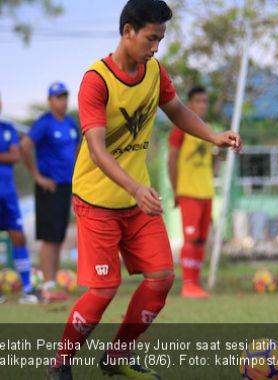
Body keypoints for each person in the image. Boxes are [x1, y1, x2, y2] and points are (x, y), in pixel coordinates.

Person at [46, 1, 241, 379]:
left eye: (161, 40)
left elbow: (178, 110)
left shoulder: (154, 71)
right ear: (127, 32)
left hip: (137, 202)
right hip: (98, 201)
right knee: (104, 290)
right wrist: (136, 188)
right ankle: (60, 364)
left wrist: (214, 136)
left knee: (163, 278)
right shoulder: (96, 80)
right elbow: (98, 150)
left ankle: (117, 356)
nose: (156, 48)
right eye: (151, 39)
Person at [21, 82, 80, 302]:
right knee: (49, 237)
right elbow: (25, 145)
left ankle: (52, 281)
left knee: (59, 235)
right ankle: (47, 283)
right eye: (58, 97)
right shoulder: (44, 123)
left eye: (64, 97)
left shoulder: (71, 124)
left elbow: (77, 149)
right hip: (49, 186)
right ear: (50, 101)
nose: (62, 101)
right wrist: (38, 177)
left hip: (66, 185)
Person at [168, 85, 213, 299]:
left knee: (202, 240)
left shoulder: (208, 130)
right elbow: (172, 159)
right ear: (189, 103)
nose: (202, 105)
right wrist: (176, 190)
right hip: (188, 193)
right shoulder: (180, 130)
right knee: (191, 239)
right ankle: (187, 284)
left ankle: (195, 282)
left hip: (207, 194)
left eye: (205, 101)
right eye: (198, 101)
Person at [0, 92, 39, 305]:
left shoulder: (7, 129)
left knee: (18, 237)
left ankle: (27, 289)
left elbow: (15, 155)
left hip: (8, 193)